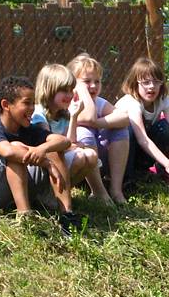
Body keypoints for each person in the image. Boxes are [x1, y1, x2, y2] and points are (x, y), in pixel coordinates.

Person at [0, 75, 82, 234]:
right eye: (26, 103)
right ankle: (25, 217)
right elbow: (8, 151)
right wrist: (47, 164)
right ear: (6, 105)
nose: (32, 108)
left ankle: (67, 215)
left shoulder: (29, 129)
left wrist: (42, 149)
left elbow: (64, 142)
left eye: (33, 103)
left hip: (17, 187)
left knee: (52, 149)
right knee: (15, 149)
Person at [31, 63, 112, 204]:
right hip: (42, 165)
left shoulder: (63, 114)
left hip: (58, 160)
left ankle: (59, 192)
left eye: (71, 90)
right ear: (49, 89)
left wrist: (74, 116)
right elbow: (50, 146)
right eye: (64, 91)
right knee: (80, 156)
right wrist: (71, 146)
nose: (69, 95)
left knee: (91, 155)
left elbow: (69, 141)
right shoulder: (39, 113)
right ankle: (49, 195)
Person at [114, 57, 169, 186]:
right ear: (134, 83)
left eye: (156, 81)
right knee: (129, 131)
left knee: (165, 127)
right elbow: (142, 139)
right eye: (146, 82)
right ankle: (126, 179)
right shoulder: (132, 103)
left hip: (141, 147)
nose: (152, 87)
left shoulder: (162, 99)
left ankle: (141, 172)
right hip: (118, 152)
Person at [68, 53, 130, 204]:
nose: (94, 86)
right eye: (86, 82)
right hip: (80, 166)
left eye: (97, 81)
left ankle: (116, 190)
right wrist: (82, 92)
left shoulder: (99, 102)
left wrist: (98, 123)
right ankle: (98, 192)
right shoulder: (69, 102)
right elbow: (88, 118)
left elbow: (124, 118)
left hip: (100, 158)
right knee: (84, 132)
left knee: (120, 129)